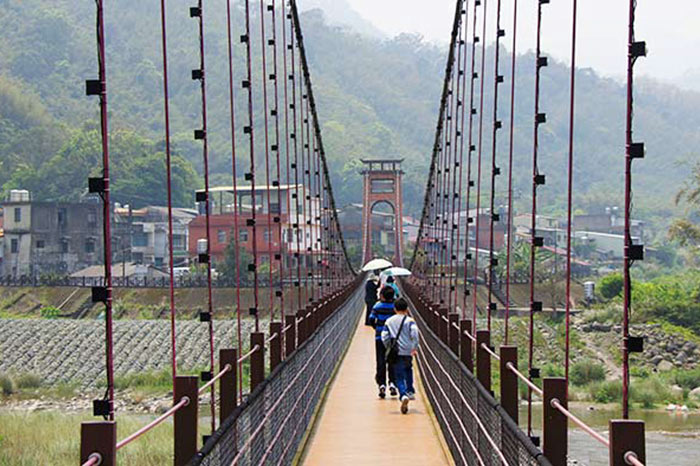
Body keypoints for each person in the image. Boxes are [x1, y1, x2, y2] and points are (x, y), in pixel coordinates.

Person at [382, 298, 418, 414]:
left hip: (396, 351)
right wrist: (414, 347)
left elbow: (384, 336)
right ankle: (410, 390)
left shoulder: (389, 321)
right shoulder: (410, 321)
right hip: (407, 351)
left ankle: (403, 395)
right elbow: (415, 333)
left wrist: (388, 346)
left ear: (395, 309)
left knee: (398, 375)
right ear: (407, 309)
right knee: (408, 369)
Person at [368, 286, 397, 398]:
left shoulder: (377, 306)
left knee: (380, 361)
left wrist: (377, 328)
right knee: (392, 360)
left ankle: (382, 385)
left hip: (380, 338)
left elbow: (371, 319)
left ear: (382, 296)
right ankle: (392, 384)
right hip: (393, 338)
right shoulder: (395, 307)